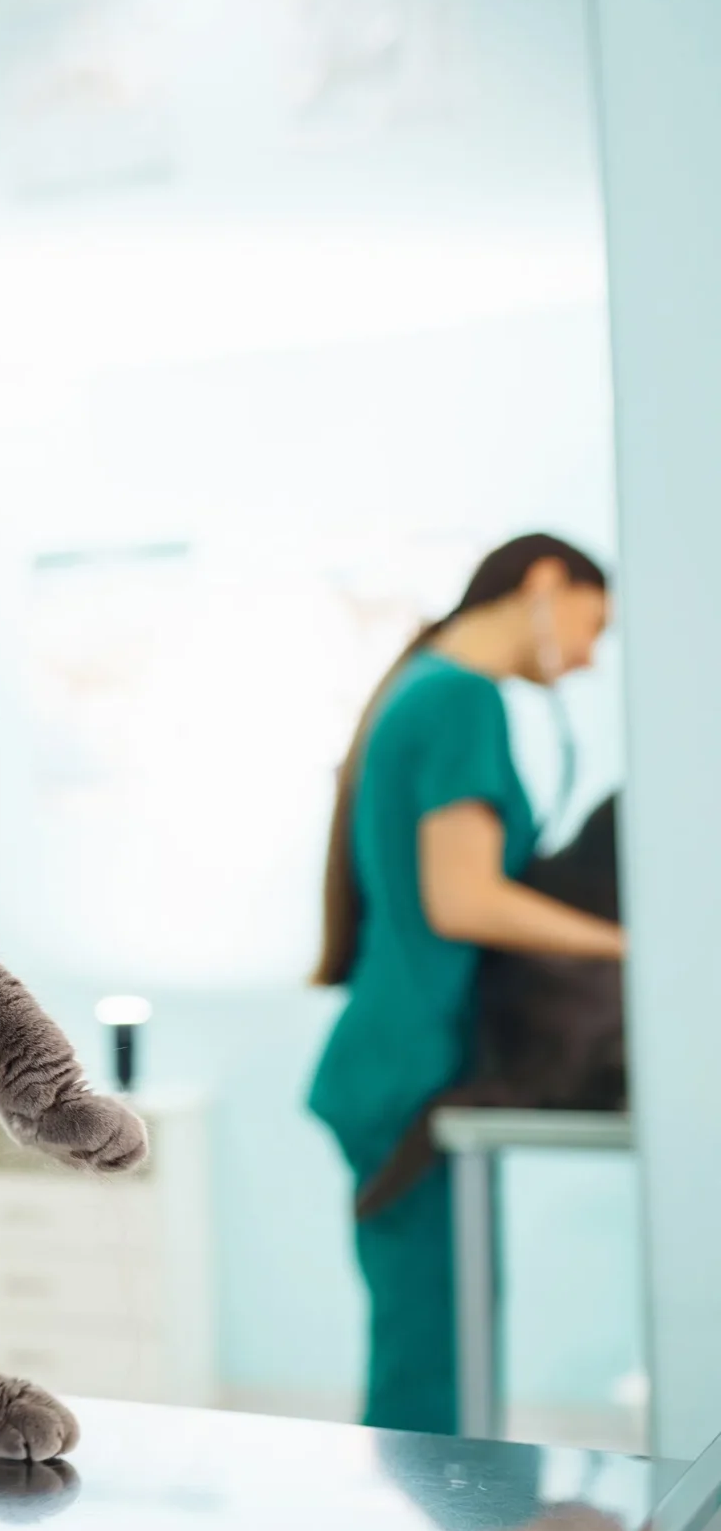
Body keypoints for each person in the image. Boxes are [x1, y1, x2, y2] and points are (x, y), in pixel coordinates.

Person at [309, 533, 621, 1435]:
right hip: (413, 1064)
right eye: (593, 626)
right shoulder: (459, 699)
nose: (593, 657)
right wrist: (626, 946)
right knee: (430, 1365)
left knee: (438, 1337)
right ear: (544, 582)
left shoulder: (428, 690)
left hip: (403, 1056)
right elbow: (463, 898)